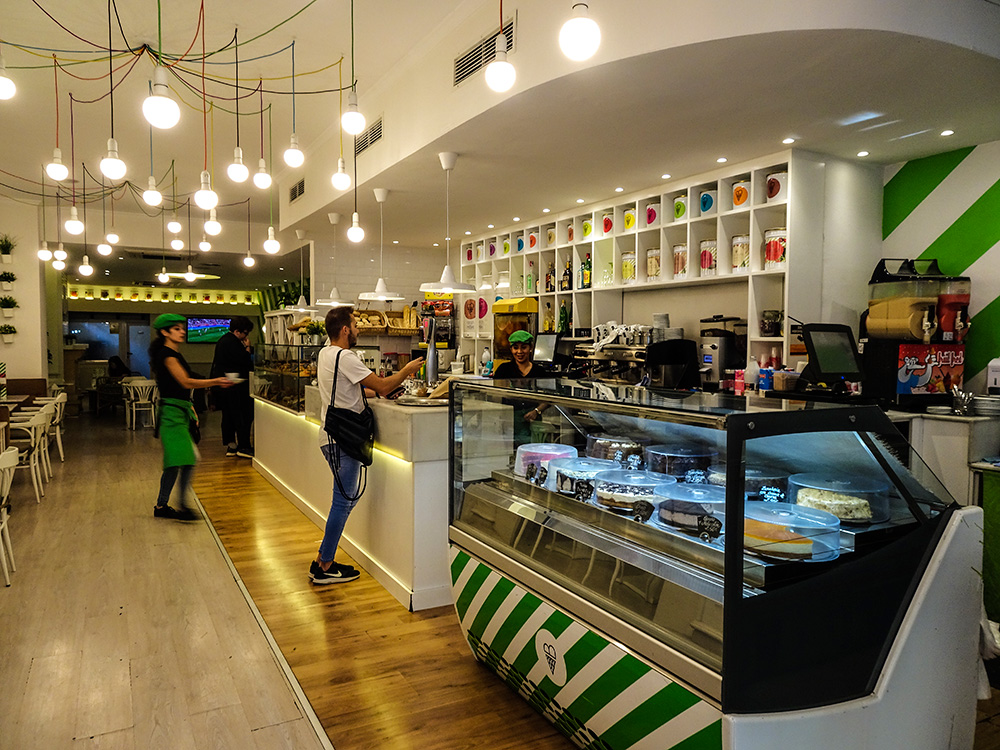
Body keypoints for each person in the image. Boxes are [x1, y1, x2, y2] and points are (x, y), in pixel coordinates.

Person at [310, 305, 424, 584]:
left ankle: (324, 560)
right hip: (343, 439)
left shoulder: (326, 353)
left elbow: (355, 388)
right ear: (345, 330)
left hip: (331, 436)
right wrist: (406, 370)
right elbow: (382, 386)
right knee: (342, 502)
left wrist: (379, 391)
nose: (358, 330)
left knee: (345, 499)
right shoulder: (346, 356)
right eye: (355, 325)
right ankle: (324, 565)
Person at [149, 313, 233, 520]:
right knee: (182, 459)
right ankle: (179, 506)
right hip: (171, 415)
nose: (182, 331)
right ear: (165, 332)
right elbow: (185, 382)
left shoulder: (173, 353)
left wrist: (191, 407)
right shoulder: (167, 355)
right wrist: (216, 381)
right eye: (177, 329)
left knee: (178, 461)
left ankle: (164, 506)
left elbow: (182, 387)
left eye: (181, 328)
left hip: (178, 411)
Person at [210, 315, 255, 458]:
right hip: (236, 386)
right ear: (237, 331)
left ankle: (231, 445)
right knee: (243, 416)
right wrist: (247, 348)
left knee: (228, 416)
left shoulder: (223, 340)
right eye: (245, 333)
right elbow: (245, 361)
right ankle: (244, 446)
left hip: (226, 386)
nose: (246, 336)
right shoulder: (233, 343)